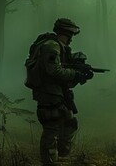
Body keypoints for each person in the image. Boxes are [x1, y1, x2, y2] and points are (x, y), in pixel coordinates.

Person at [24, 18, 93, 165]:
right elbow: (53, 71)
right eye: (71, 35)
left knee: (70, 123)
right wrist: (75, 74)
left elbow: (61, 73)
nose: (72, 39)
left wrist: (80, 74)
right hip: (49, 94)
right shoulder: (52, 46)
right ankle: (49, 161)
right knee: (51, 129)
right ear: (66, 33)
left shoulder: (57, 46)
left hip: (57, 93)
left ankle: (58, 156)